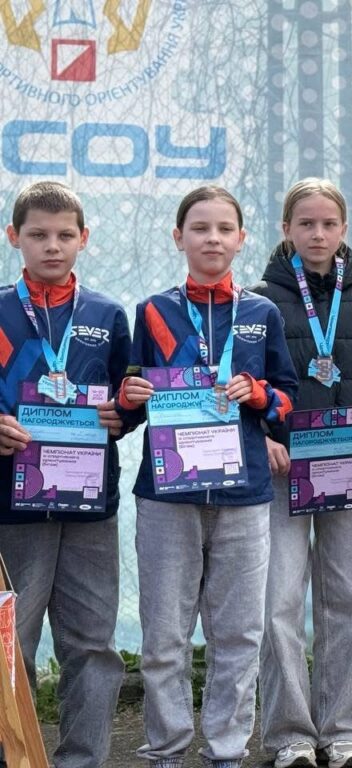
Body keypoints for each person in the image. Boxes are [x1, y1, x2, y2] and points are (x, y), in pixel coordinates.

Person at [117, 186, 298, 768]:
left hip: (244, 494)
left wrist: (261, 395)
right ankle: (167, 748)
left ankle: (226, 750)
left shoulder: (262, 313)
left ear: (241, 239)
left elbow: (288, 402)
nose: (212, 238)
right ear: (179, 238)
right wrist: (128, 397)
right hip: (166, 496)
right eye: (200, 228)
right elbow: (128, 404)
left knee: (239, 633)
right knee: (164, 633)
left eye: (224, 229)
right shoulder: (152, 311)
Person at [251, 178, 352, 768]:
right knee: (277, 604)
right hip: (283, 470)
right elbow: (246, 385)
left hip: (351, 468)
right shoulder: (257, 301)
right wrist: (264, 437)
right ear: (286, 229)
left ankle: (342, 733)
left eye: (328, 224)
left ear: (344, 229)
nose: (318, 234)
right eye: (306, 223)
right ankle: (290, 735)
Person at [0, 180, 130, 768]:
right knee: (10, 644)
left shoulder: (107, 313)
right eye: (38, 235)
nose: (52, 246)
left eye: (64, 235)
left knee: (92, 645)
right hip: (13, 507)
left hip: (90, 508)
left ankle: (83, 759)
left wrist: (123, 414)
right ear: (14, 237)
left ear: (84, 238)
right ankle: (15, 758)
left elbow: (130, 396)